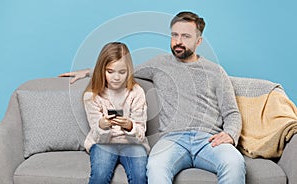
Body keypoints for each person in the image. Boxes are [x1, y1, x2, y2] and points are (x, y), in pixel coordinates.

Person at [60, 11, 246, 184]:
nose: (178, 41)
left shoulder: (215, 72)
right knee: (156, 166)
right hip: (171, 140)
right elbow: (123, 71)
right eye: (174, 35)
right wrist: (89, 72)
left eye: (186, 36)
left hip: (207, 140)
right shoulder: (160, 63)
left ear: (199, 41)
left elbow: (232, 112)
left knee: (235, 163)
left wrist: (230, 134)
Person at [82, 42, 149, 184]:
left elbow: (140, 132)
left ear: (129, 70)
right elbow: (97, 135)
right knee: (100, 175)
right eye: (110, 72)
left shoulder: (136, 92)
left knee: (140, 176)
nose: (116, 78)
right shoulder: (92, 95)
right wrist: (102, 126)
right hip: (103, 144)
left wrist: (130, 126)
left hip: (132, 144)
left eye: (122, 72)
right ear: (102, 70)